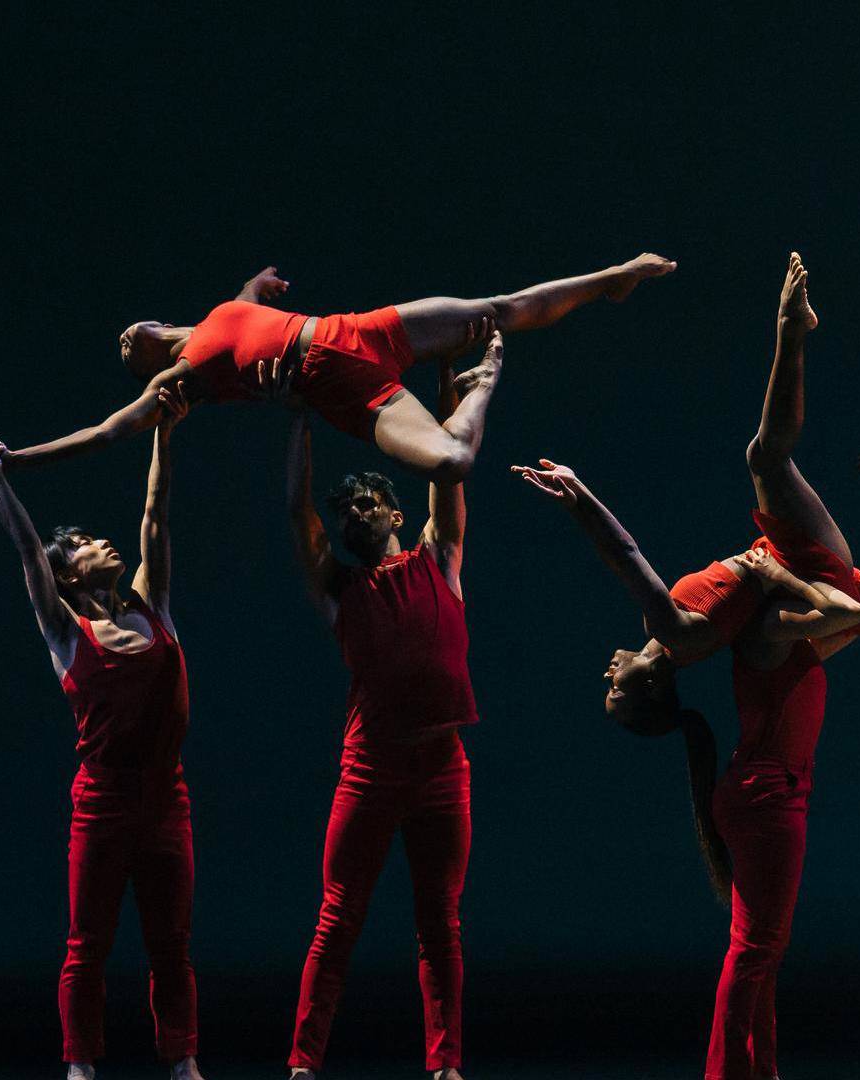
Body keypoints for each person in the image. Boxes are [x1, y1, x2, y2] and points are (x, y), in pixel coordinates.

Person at [516, 254, 860, 1080]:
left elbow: (628, 552)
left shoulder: (690, 641)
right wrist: (589, 509)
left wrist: (581, 498)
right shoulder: (679, 635)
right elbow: (632, 559)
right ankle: (791, 335)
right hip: (798, 575)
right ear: (644, 680)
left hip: (797, 592)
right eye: (615, 685)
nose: (606, 671)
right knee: (764, 457)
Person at [0, 392, 205, 1080]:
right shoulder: (66, 633)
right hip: (101, 805)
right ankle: (81, 1068)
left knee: (172, 944)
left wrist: (164, 430)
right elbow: (24, 548)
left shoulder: (152, 605)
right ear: (69, 574)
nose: (103, 543)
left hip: (167, 801)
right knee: (88, 945)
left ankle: (183, 1063)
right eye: (84, 546)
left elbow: (155, 514)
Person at [281, 341, 491, 1080]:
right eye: (349, 510)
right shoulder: (341, 591)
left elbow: (447, 467)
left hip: (441, 768)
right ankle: (303, 1065)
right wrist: (302, 425)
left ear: (396, 511)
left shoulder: (440, 557)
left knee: (440, 926)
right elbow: (298, 515)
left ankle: (445, 1067)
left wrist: (440, 387)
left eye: (367, 500)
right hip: (369, 769)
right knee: (338, 918)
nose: (355, 511)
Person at [1, 253, 674, 482]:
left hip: (355, 330)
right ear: (143, 358)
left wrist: (259, 283)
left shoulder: (214, 314)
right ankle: (477, 391)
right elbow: (104, 432)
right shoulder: (176, 381)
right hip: (337, 385)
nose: (128, 333)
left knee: (496, 306)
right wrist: (19, 458)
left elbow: (246, 298)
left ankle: (612, 277)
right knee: (450, 463)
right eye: (126, 345)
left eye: (132, 326)